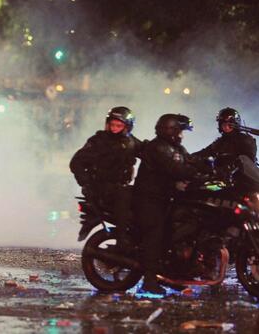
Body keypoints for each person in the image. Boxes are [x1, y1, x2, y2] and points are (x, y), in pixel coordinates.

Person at [133, 114, 203, 295]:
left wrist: (208, 166)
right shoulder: (159, 148)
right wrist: (195, 173)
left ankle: (173, 275)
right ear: (171, 131)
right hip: (150, 199)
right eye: (180, 131)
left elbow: (189, 161)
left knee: (177, 229)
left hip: (165, 198)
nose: (181, 135)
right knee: (156, 234)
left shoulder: (175, 148)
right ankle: (149, 280)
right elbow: (176, 169)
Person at [69, 106, 142, 249]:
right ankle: (122, 241)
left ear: (127, 126)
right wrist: (86, 184)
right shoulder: (99, 141)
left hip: (120, 185)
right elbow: (76, 162)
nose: (114, 128)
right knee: (125, 196)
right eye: (112, 125)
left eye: (119, 125)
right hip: (101, 187)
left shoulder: (131, 142)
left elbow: (150, 152)